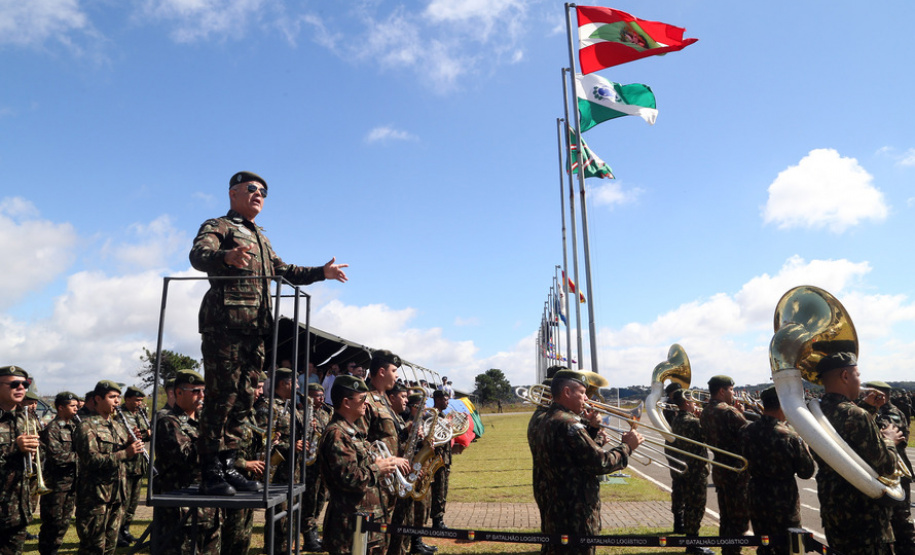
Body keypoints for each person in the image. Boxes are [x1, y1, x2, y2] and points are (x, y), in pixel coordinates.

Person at [189, 170, 348, 496]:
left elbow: (285, 271)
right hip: (225, 326)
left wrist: (322, 272)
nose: (258, 194)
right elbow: (198, 256)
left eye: (263, 191)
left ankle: (229, 463)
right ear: (233, 193)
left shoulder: (261, 238)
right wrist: (226, 257)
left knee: (246, 398)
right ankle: (209, 469)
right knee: (221, 397)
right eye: (251, 189)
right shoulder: (219, 226)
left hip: (256, 330)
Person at [530, 369, 643, 555]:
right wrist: (627, 447)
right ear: (567, 392)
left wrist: (590, 431)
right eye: (582, 393)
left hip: (556, 510)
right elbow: (600, 463)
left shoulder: (545, 419)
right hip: (576, 515)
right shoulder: (569, 423)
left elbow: (570, 456)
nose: (586, 398)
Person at [815, 352, 902, 555]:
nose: (860, 381)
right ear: (845, 376)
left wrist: (868, 409)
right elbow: (887, 465)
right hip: (865, 521)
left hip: (834, 513)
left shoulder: (818, 411)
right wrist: (889, 439)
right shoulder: (856, 414)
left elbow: (845, 439)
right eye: (858, 375)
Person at [320, 375, 402, 555]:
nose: (366, 403)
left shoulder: (353, 432)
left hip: (366, 523)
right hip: (349, 528)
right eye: (362, 399)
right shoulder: (337, 435)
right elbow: (350, 479)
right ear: (346, 402)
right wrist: (377, 469)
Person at [740, 386, 815, 555]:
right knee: (788, 546)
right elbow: (806, 472)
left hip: (756, 495)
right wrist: (805, 445)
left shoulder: (746, 431)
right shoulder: (790, 435)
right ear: (783, 404)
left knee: (764, 545)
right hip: (783, 500)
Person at [153, 369, 221, 554]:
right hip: (181, 506)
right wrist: (211, 438)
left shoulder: (202, 421)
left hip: (208, 503)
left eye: (203, 391)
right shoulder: (168, 421)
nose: (201, 396)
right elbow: (187, 457)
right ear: (179, 393)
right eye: (196, 391)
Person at [74, 380, 144, 555]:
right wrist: (126, 453)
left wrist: (129, 442)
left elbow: (116, 453)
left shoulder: (117, 426)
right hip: (95, 498)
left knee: (110, 546)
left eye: (118, 397)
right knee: (93, 547)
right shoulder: (86, 426)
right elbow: (92, 460)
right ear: (98, 398)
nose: (117, 401)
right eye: (112, 397)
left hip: (116, 495)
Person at [359, 350, 411, 552]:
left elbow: (389, 437)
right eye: (394, 370)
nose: (397, 375)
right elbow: (359, 442)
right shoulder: (367, 401)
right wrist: (388, 460)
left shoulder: (384, 402)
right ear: (381, 371)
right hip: (373, 486)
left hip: (388, 484)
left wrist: (408, 432)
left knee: (386, 541)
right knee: (373, 544)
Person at [860, 380, 915, 554]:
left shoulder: (892, 414)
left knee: (901, 520)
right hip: (885, 470)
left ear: (880, 395)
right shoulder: (879, 412)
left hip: (896, 472)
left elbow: (884, 433)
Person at [699, 375, 749, 555]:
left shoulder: (705, 411)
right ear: (722, 390)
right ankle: (733, 551)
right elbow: (748, 436)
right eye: (731, 389)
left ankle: (727, 549)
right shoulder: (729, 412)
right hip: (736, 470)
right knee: (739, 517)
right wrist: (740, 413)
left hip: (720, 468)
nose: (733, 393)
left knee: (726, 516)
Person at [255, 367, 303, 555]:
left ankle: (286, 548)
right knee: (278, 517)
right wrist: (290, 445)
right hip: (277, 472)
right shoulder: (268, 407)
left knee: (290, 515)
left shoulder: (290, 406)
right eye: (295, 382)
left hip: (293, 469)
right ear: (284, 383)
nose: (298, 386)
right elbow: (262, 440)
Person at [222, 371, 267, 555]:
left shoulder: (250, 413)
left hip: (247, 481)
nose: (260, 393)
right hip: (231, 481)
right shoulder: (229, 413)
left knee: (244, 535)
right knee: (232, 536)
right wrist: (245, 464)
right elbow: (222, 449)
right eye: (258, 388)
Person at [667, 389, 713, 555]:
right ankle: (693, 543)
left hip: (684, 469)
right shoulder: (693, 422)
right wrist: (703, 419)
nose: (695, 403)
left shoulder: (676, 420)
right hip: (696, 470)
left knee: (689, 506)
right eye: (693, 401)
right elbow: (709, 438)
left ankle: (690, 540)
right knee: (696, 507)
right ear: (686, 403)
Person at [0, 366, 38, 554]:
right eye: (14, 384)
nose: (21, 387)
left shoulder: (26, 419)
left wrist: (35, 453)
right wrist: (15, 448)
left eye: (25, 384)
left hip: (18, 509)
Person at [38, 391, 81, 555]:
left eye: (77, 406)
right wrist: (81, 456)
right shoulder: (52, 429)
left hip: (71, 483)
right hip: (56, 484)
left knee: (64, 521)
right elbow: (57, 457)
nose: (76, 409)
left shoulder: (74, 427)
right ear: (61, 407)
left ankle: (54, 549)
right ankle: (47, 551)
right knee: (52, 522)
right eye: (72, 406)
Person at [301, 383, 332, 552]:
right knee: (309, 501)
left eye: (322, 395)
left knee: (320, 499)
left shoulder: (326, 413)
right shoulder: (304, 413)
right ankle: (308, 536)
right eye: (317, 396)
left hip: (321, 463)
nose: (321, 398)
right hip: (309, 464)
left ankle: (313, 531)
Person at [119, 386, 150, 546]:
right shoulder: (120, 415)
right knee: (123, 502)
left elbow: (142, 434)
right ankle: (117, 533)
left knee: (133, 502)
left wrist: (147, 434)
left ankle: (125, 530)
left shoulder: (140, 414)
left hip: (138, 465)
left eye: (141, 400)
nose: (139, 403)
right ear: (128, 399)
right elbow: (122, 436)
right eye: (136, 400)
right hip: (126, 465)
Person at [429, 389, 453, 530]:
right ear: (437, 400)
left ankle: (440, 519)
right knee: (438, 491)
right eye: (445, 399)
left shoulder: (442, 415)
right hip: (437, 459)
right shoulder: (432, 416)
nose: (447, 402)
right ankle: (437, 522)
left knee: (443, 491)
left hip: (445, 459)